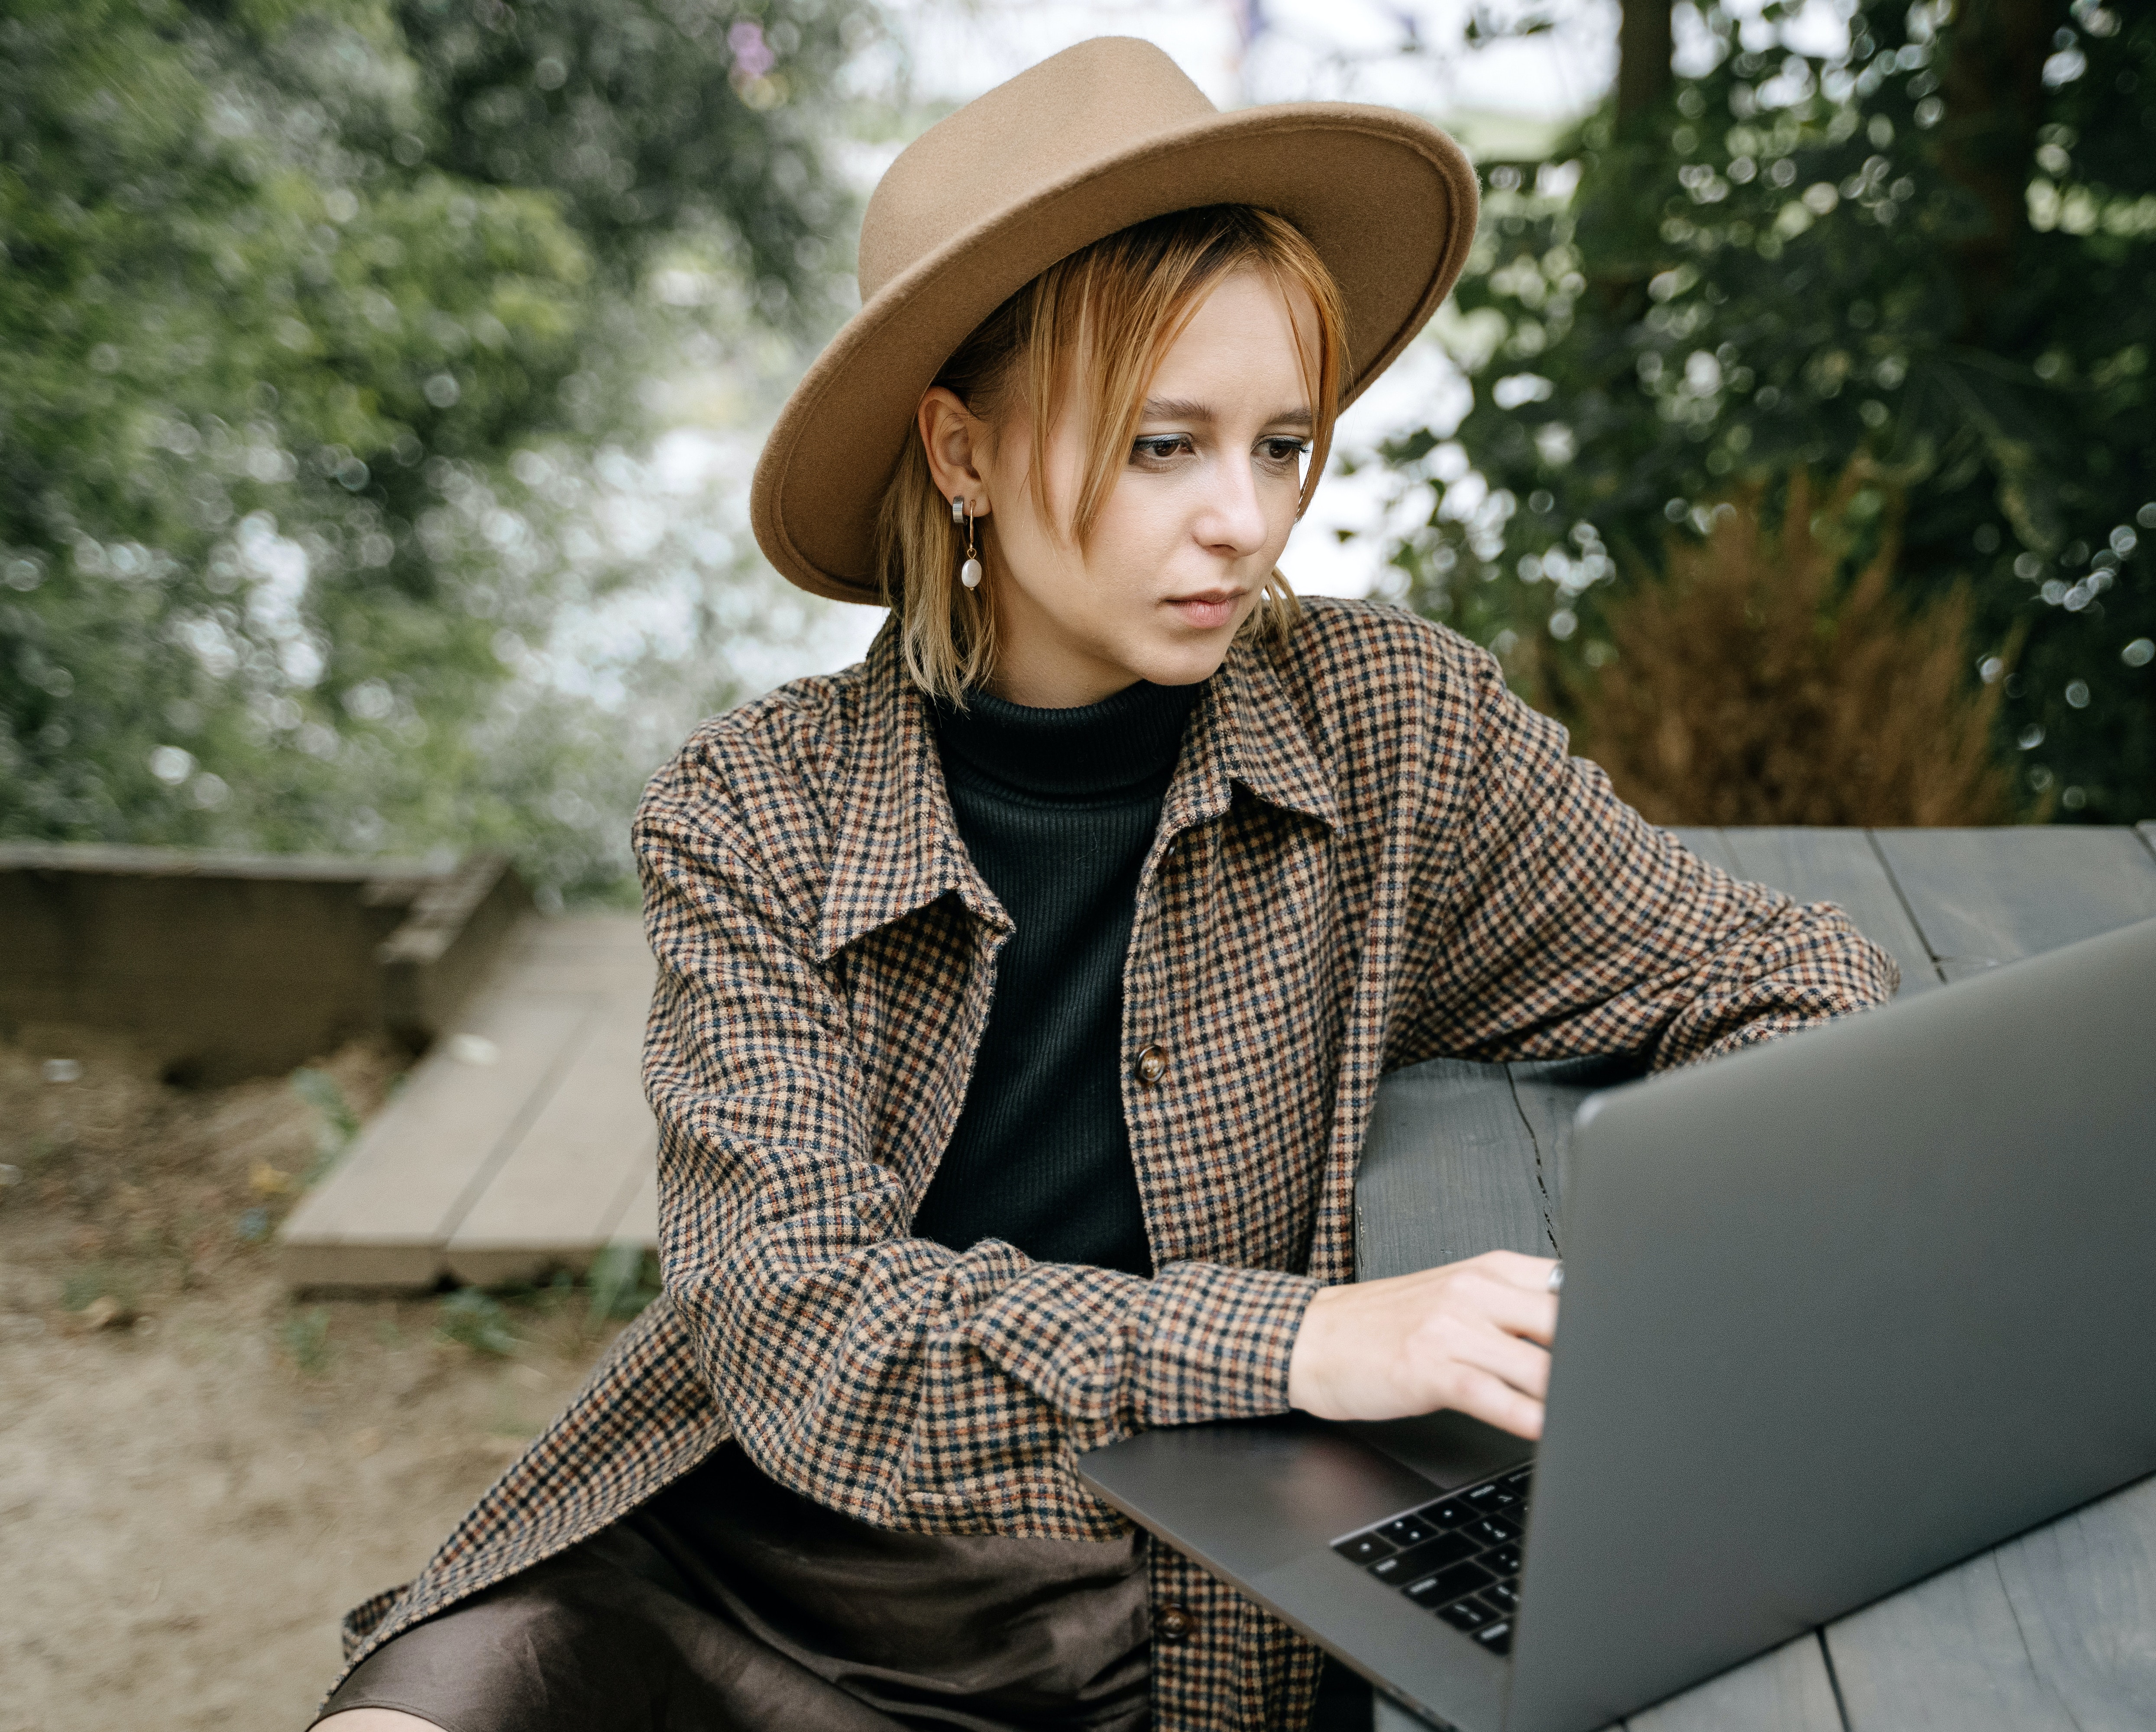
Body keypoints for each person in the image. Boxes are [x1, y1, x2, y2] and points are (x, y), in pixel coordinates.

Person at [314, 37, 1897, 1732]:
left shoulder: (1394, 736)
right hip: (728, 1563)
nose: (1245, 520)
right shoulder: (749, 808)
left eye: (1283, 442)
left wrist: (1591, 1299)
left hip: (1146, 1616)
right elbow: (797, 1327)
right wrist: (1309, 1344)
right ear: (961, 451)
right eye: (1165, 446)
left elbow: (1790, 979)